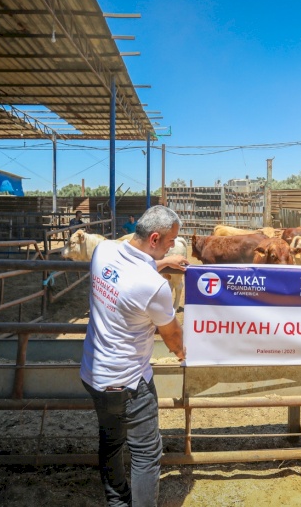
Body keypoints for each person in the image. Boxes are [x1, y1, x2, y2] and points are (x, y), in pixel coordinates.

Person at [80, 205, 189, 507]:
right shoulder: (155, 287)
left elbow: (129, 273)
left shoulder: (102, 252)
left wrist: (165, 260)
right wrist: (185, 353)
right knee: (145, 454)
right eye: (169, 241)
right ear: (154, 238)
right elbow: (172, 337)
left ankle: (118, 502)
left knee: (111, 442)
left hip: (94, 375)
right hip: (130, 384)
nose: (172, 245)